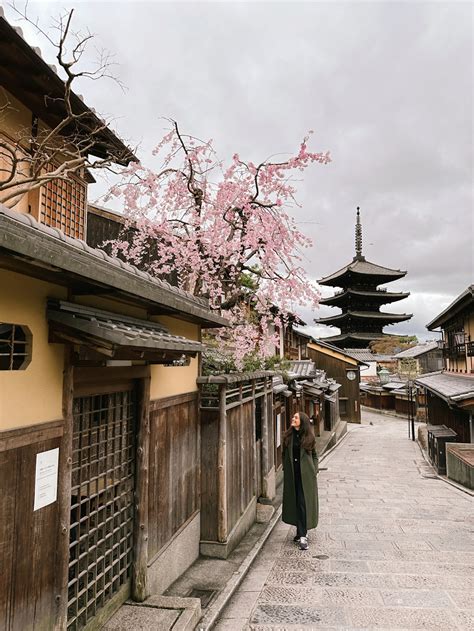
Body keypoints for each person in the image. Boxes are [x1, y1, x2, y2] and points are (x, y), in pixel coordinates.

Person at [282, 411, 319, 550]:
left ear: (302, 421)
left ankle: (303, 536)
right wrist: (286, 469)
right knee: (296, 502)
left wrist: (314, 470)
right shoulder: (288, 436)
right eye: (293, 417)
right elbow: (284, 454)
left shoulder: (309, 437)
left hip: (306, 477)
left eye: (296, 418)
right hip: (293, 476)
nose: (293, 419)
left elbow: (315, 455)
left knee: (303, 503)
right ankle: (299, 531)